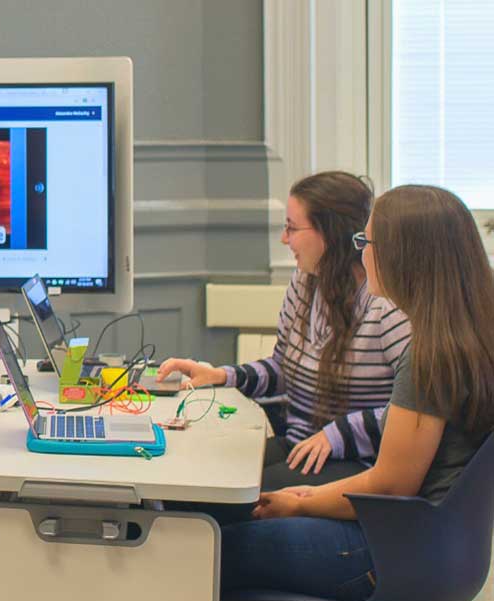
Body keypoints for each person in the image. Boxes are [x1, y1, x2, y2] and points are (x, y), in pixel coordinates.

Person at [218, 185, 494, 601]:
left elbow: (390, 484)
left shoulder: (430, 355)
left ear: (402, 255)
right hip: (436, 550)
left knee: (203, 546)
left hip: (392, 554)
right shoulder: (469, 339)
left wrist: (298, 501)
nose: (361, 249)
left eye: (369, 240)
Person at [159, 171, 410, 488]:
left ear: (329, 234)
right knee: (195, 476)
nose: (283, 238)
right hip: (299, 446)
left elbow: (414, 412)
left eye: (292, 227)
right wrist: (222, 376)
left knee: (224, 499)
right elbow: (283, 369)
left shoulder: (385, 306)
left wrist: (338, 434)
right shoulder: (304, 283)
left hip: (352, 464)